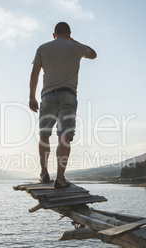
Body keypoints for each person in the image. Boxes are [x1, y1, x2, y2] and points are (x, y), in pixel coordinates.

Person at [29, 22, 97, 189]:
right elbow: (93, 54)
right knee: (64, 136)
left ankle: (44, 173)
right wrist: (73, 41)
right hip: (68, 95)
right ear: (69, 33)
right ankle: (59, 178)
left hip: (47, 96)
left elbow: (35, 74)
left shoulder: (43, 48)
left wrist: (31, 97)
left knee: (44, 135)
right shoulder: (76, 47)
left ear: (53, 34)